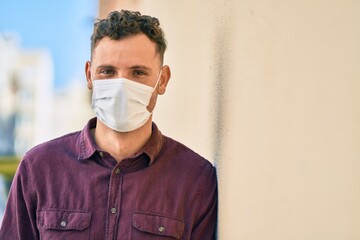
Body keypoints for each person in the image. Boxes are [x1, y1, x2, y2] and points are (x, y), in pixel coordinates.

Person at [0, 10, 217, 239]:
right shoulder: (38, 168)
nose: (121, 85)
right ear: (89, 75)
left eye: (138, 72)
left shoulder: (195, 180)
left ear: (162, 80)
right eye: (108, 71)